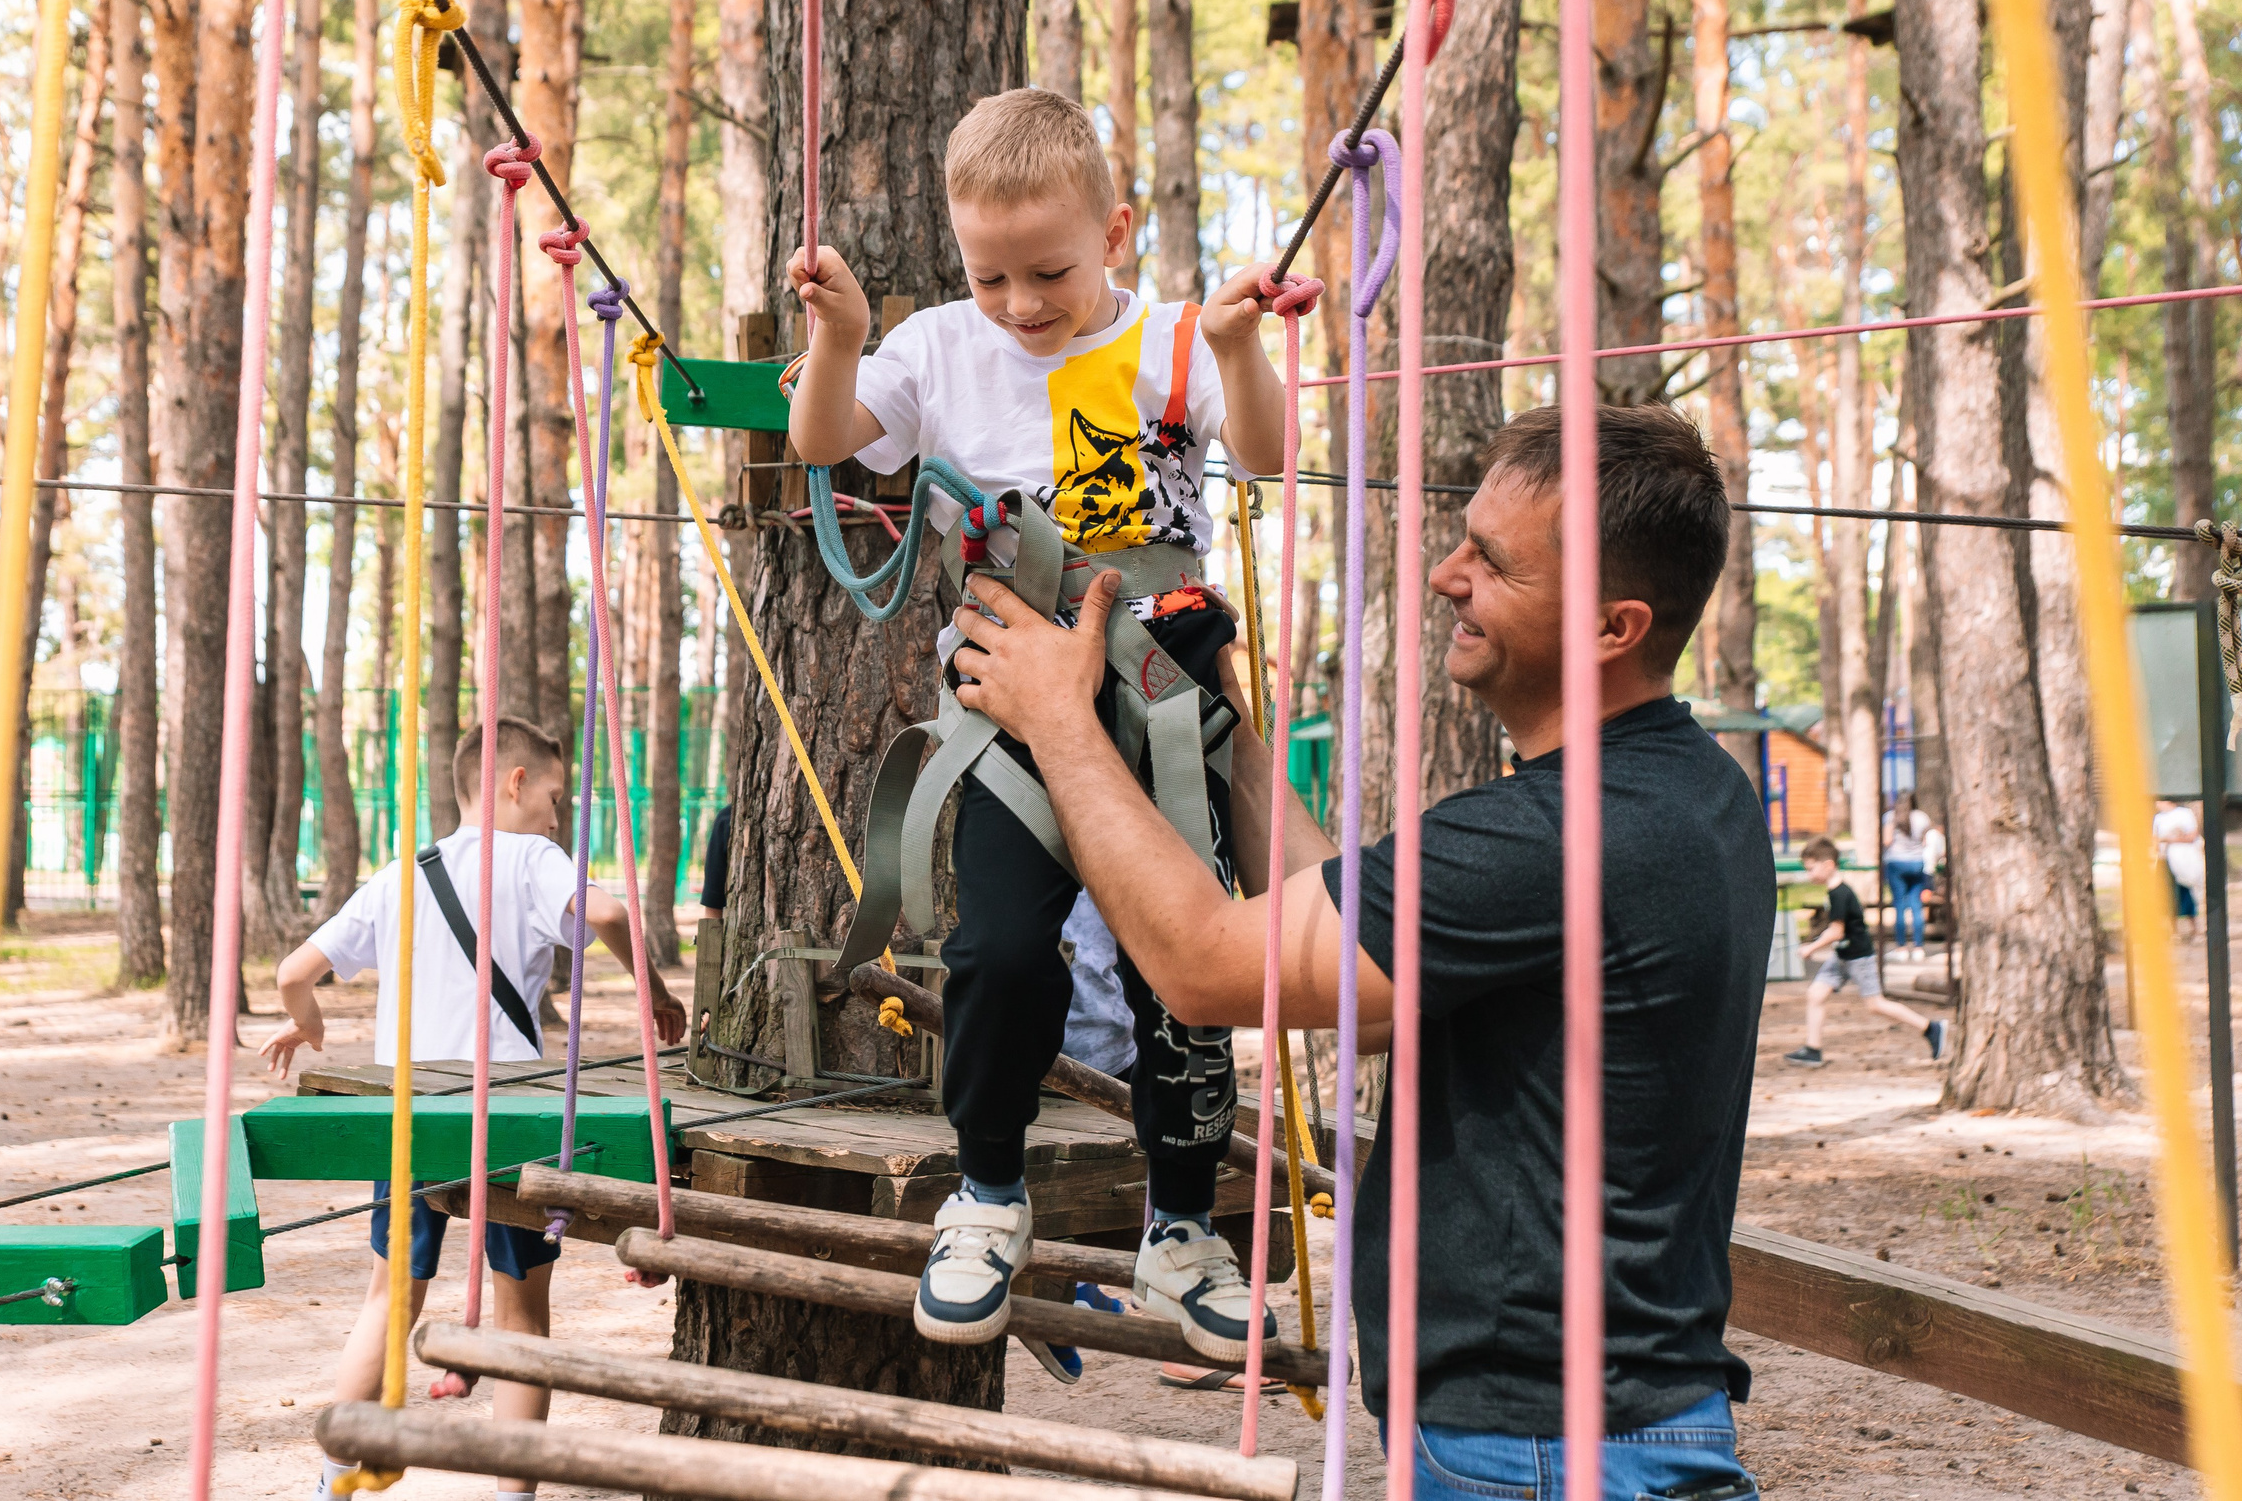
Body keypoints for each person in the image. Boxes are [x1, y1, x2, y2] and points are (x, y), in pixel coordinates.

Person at [950, 403, 1768, 1500]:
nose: (1445, 574)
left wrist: (1060, 724)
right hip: (1587, 1425)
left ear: (1613, 628)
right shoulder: (1685, 790)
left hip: (1541, 1452)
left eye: (1492, 561)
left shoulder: (1560, 838)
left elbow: (1200, 965)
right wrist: (1210, 725)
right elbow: (1361, 990)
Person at [785, 86, 1297, 1359]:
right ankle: (987, 1191)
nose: (1020, 302)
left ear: (1116, 229)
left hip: (1164, 694)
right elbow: (825, 440)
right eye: (991, 272)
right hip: (1016, 690)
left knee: (1184, 971)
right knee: (1001, 953)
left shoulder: (1175, 339)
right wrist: (843, 337)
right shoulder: (938, 348)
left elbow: (1274, 457)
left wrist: (1234, 349)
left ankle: (1184, 1228)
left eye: (1050, 271)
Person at [259, 717, 685, 1501]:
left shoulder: (400, 873)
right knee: (523, 1319)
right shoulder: (530, 857)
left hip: (413, 1120)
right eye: (555, 797)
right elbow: (611, 915)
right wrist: (654, 991)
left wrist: (309, 1021)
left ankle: (332, 1482)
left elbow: (294, 971)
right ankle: (511, 1496)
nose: (559, 818)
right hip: (505, 1123)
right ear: (515, 782)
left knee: (389, 1302)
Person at [1782, 836, 1945, 1067]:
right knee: (1816, 994)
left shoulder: (1840, 893)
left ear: (1828, 865)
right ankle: (1813, 1049)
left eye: (1811, 869)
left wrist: (1811, 947)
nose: (1809, 875)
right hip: (1843, 955)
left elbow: (1836, 932)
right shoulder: (1834, 892)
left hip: (1858, 956)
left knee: (1875, 1004)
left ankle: (1930, 1028)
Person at [1879, 790, 1933, 951]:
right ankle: (1918, 947)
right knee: (1916, 904)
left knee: (1899, 905)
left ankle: (1901, 947)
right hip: (1916, 863)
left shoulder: (1890, 817)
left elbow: (1887, 840)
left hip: (1896, 863)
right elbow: (1925, 842)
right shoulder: (1922, 817)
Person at [2155, 799, 2206, 938]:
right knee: (2169, 895)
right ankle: (2173, 931)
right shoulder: (2159, 817)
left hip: (2185, 860)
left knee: (2187, 893)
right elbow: (2156, 840)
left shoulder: (2185, 814)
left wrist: (2170, 839)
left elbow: (2191, 836)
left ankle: (2195, 928)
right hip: (2167, 859)